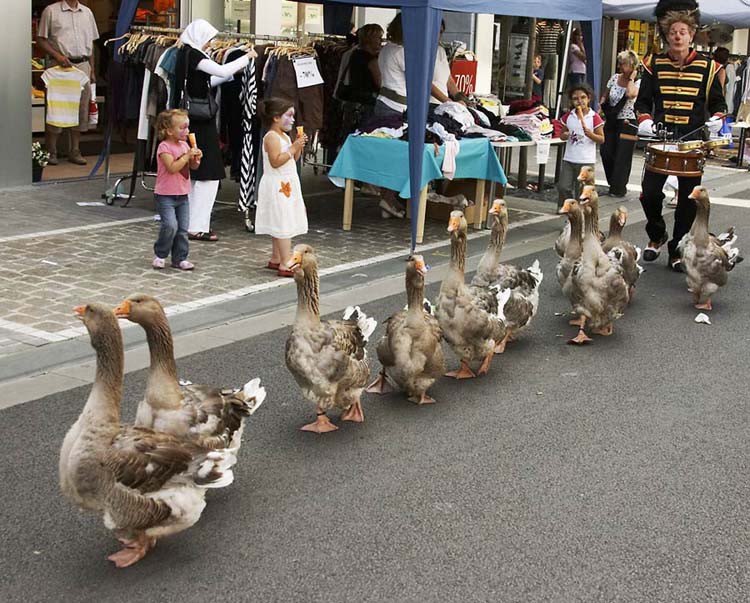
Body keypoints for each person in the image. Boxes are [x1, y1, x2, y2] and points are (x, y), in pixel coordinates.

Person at [634, 0, 726, 272]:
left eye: (683, 31)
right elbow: (642, 103)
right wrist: (646, 120)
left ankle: (676, 248)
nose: (677, 36)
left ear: (691, 34)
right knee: (649, 194)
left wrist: (716, 119)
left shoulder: (710, 68)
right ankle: (657, 233)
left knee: (688, 199)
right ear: (666, 34)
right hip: (660, 139)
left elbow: (719, 106)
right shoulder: (654, 64)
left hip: (692, 142)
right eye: (672, 31)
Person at [175, 19, 255, 242]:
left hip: (194, 118)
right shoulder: (195, 55)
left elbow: (206, 81)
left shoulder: (184, 53)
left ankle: (191, 222)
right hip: (201, 120)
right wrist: (246, 58)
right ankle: (197, 225)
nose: (211, 43)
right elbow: (220, 70)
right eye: (209, 38)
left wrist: (228, 75)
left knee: (197, 172)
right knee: (208, 173)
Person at [37, 0, 99, 166]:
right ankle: (51, 151)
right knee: (56, 107)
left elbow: (91, 44)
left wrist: (92, 69)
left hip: (82, 64)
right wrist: (57, 56)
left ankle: (75, 150)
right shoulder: (50, 11)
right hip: (58, 65)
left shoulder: (87, 12)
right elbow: (41, 39)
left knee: (81, 107)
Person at [255, 99, 309, 278]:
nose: (293, 120)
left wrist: (297, 146)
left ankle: (276, 256)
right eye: (289, 115)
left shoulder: (285, 136)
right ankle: (286, 261)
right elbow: (275, 161)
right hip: (277, 184)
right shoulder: (271, 137)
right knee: (283, 221)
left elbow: (292, 159)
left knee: (282, 218)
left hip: (286, 182)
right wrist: (293, 148)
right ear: (276, 117)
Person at [152, 109, 202, 271]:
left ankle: (180, 257)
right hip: (166, 194)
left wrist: (196, 159)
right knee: (170, 226)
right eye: (182, 128)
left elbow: (192, 167)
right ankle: (160, 254)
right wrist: (187, 156)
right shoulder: (164, 147)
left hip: (182, 193)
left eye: (187, 127)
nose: (186, 131)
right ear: (169, 131)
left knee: (182, 228)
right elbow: (172, 168)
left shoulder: (184, 145)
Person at [599, 50, 640, 197]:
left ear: (632, 65)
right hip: (611, 120)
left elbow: (630, 94)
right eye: (620, 63)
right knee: (606, 151)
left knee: (622, 156)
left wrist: (631, 78)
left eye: (623, 64)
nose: (620, 66)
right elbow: (606, 95)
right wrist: (601, 109)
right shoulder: (614, 77)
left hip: (627, 122)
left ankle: (618, 188)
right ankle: (613, 182)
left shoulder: (638, 82)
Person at [557, 83, 605, 207]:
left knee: (584, 191)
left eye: (583, 97)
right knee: (563, 186)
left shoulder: (594, 117)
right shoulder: (569, 116)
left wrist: (591, 135)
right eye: (575, 99)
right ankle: (568, 208)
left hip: (586, 160)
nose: (579, 101)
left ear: (588, 98)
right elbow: (561, 134)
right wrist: (565, 135)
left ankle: (582, 215)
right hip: (569, 158)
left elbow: (601, 139)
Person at [430, 21, 469, 108]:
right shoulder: (421, 53)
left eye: (441, 32)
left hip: (443, 104)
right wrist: (450, 102)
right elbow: (427, 85)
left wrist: (459, 97)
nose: (438, 35)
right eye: (436, 31)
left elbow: (449, 79)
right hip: (430, 105)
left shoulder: (441, 50)